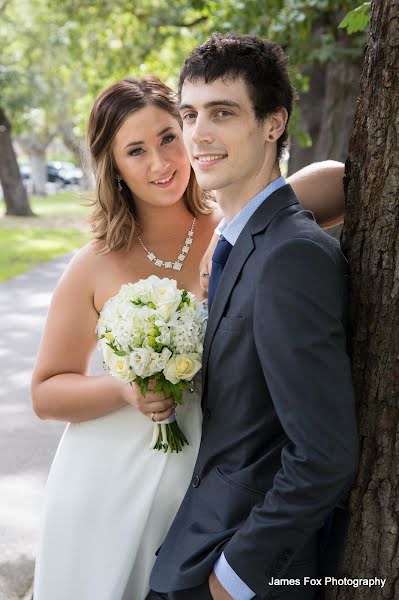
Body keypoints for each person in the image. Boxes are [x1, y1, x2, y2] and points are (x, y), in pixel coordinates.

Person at [31, 74, 348, 600]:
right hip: (107, 480)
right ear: (114, 168)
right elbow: (45, 391)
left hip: (201, 482)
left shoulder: (235, 222)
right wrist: (124, 389)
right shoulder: (93, 265)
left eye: (168, 137)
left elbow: (341, 179)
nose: (160, 163)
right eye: (136, 151)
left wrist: (223, 239)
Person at [148, 34, 358, 600]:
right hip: (194, 542)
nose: (198, 134)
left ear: (272, 124)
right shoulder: (240, 245)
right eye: (189, 114)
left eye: (223, 112)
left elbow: (324, 453)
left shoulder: (291, 255)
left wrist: (234, 577)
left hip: (241, 568)